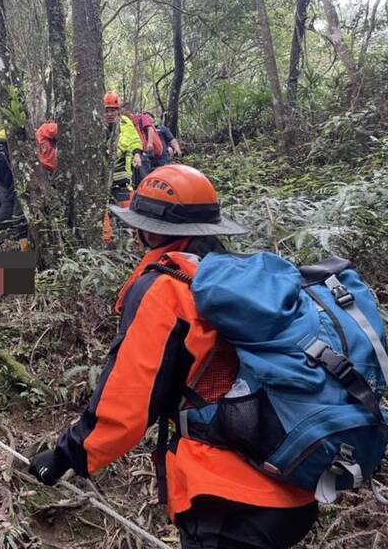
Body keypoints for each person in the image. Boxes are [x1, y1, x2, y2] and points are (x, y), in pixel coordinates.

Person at [28, 165, 318, 549]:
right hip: (295, 484)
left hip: (228, 498)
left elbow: (128, 401)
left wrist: (65, 456)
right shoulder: (239, 276)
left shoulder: (169, 290)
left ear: (150, 231)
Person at [102, 92, 145, 246]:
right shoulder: (97, 126)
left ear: (118, 110)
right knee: (103, 215)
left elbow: (134, 141)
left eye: (112, 110)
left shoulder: (125, 123)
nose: (109, 114)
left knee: (129, 214)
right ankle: (107, 244)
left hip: (122, 178)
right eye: (106, 110)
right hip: (102, 180)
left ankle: (136, 244)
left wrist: (137, 154)